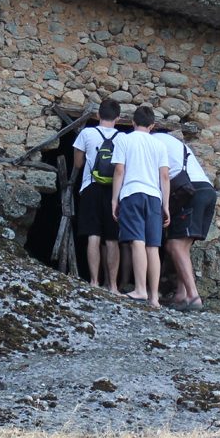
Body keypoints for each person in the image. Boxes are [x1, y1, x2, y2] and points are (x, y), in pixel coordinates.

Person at [111, 105, 170, 308]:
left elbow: (119, 170)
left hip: (132, 193)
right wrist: (166, 205)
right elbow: (164, 176)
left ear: (133, 122)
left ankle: (140, 289)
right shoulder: (159, 145)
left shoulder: (123, 139)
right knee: (153, 246)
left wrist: (114, 199)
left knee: (137, 241)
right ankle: (154, 298)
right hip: (154, 197)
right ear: (152, 125)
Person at [153, 126, 217, 311]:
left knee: (174, 245)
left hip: (190, 192)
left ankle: (193, 296)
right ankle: (181, 294)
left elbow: (162, 175)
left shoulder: (153, 142)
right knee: (183, 246)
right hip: (207, 191)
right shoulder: (176, 144)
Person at [71, 99, 122, 293]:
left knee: (93, 234)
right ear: (118, 118)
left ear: (98, 115)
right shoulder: (122, 138)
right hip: (114, 190)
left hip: (91, 187)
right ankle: (114, 286)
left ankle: (93, 281)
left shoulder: (87, 133)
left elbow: (77, 164)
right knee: (112, 238)